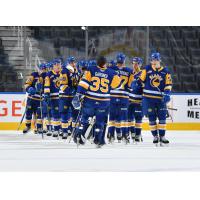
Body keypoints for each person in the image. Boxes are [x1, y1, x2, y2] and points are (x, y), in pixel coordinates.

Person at [73, 56, 121, 148]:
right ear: (105, 63)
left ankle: (79, 137)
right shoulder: (112, 72)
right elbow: (118, 85)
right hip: (103, 102)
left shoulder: (91, 69)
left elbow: (83, 84)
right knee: (100, 122)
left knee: (84, 120)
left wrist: (78, 95)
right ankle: (98, 140)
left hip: (90, 100)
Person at [133, 52, 172, 145]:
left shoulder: (166, 71)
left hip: (160, 100)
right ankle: (155, 136)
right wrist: (136, 83)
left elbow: (168, 84)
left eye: (156, 60)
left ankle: (162, 136)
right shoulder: (147, 69)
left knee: (162, 118)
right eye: (152, 60)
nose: (154, 61)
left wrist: (167, 93)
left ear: (160, 60)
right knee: (152, 119)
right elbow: (140, 80)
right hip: (148, 99)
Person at [107, 53, 134, 144]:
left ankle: (110, 135)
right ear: (124, 61)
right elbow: (130, 85)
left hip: (112, 96)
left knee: (112, 117)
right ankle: (125, 135)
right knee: (124, 117)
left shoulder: (110, 69)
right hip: (124, 96)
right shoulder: (129, 71)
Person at [23, 63, 45, 134]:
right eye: (41, 69)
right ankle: (28, 126)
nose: (42, 70)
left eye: (44, 69)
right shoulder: (33, 75)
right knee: (28, 113)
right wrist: (29, 89)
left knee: (39, 114)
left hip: (39, 99)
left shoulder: (46, 77)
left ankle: (39, 127)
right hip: (31, 98)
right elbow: (26, 84)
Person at [44, 59, 62, 137]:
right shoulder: (49, 74)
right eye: (56, 65)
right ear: (53, 66)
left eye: (59, 64)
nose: (58, 66)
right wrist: (47, 94)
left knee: (62, 113)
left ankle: (61, 128)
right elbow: (47, 84)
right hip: (53, 97)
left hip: (62, 96)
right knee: (55, 113)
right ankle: (55, 129)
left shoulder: (63, 73)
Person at [128, 57, 143, 143]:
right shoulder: (130, 74)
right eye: (133, 63)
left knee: (138, 119)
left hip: (138, 102)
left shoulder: (142, 74)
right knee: (130, 119)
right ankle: (133, 134)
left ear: (140, 64)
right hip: (129, 101)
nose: (134, 65)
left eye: (136, 63)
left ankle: (138, 135)